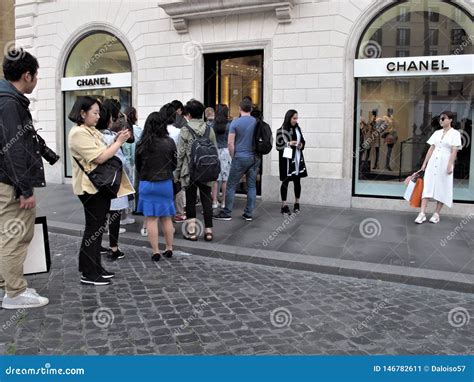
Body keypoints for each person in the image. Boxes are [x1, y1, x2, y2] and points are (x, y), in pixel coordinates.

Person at [0, 48, 50, 309]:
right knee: (15, 235)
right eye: (36, 75)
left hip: (5, 180)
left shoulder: (6, 99)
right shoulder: (9, 103)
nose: (36, 80)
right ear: (27, 75)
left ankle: (5, 286)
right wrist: (25, 189)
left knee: (5, 235)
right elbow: (14, 149)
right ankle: (15, 293)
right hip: (10, 183)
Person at [68, 96, 134, 285]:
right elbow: (100, 157)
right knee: (93, 230)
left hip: (98, 188)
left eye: (98, 113)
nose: (98, 116)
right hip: (90, 189)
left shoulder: (89, 130)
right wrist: (119, 142)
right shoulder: (78, 133)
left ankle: (95, 267)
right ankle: (89, 273)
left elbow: (105, 147)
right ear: (82, 113)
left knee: (97, 229)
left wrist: (116, 139)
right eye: (95, 113)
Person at [136, 109, 177, 261]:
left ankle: (155, 252)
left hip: (147, 183)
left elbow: (138, 166)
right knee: (166, 218)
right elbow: (174, 164)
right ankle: (169, 248)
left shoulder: (141, 144)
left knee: (151, 219)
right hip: (165, 183)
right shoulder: (170, 142)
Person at [175, 99, 216, 241]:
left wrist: (177, 172)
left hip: (190, 170)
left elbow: (180, 154)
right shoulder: (209, 129)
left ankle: (192, 232)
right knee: (206, 200)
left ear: (189, 114)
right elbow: (215, 150)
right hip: (206, 169)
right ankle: (209, 231)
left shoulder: (185, 130)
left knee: (191, 200)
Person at [214, 98, 260, 221]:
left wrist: (233, 155)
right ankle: (248, 213)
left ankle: (227, 212)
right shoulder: (256, 122)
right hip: (254, 158)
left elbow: (230, 143)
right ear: (251, 109)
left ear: (240, 109)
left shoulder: (235, 123)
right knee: (251, 186)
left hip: (240, 157)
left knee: (230, 185)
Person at [96, 101, 131, 260]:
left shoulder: (94, 135)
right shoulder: (112, 137)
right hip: (114, 181)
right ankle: (114, 248)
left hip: (97, 182)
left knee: (100, 215)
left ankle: (97, 245)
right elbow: (121, 161)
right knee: (114, 215)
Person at [414, 111, 462, 224]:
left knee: (442, 187)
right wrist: (424, 163)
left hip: (445, 162)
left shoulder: (455, 134)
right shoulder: (436, 133)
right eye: (440, 119)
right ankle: (422, 213)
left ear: (450, 120)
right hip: (433, 162)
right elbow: (431, 148)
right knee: (428, 186)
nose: (441, 120)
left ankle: (436, 214)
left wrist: (450, 165)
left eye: (443, 118)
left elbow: (454, 151)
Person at [276, 110, 308, 214]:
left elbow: (302, 140)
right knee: (285, 182)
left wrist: (301, 145)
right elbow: (278, 146)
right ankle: (284, 205)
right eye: (294, 118)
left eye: (296, 118)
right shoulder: (281, 130)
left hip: (297, 158)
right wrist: (289, 143)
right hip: (286, 160)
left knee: (297, 181)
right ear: (288, 118)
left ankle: (297, 203)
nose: (296, 120)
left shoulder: (298, 128)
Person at [211, 104, 231, 209]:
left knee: (215, 179)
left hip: (215, 151)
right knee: (225, 179)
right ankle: (223, 202)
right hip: (225, 152)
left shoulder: (212, 125)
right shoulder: (229, 125)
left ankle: (214, 202)